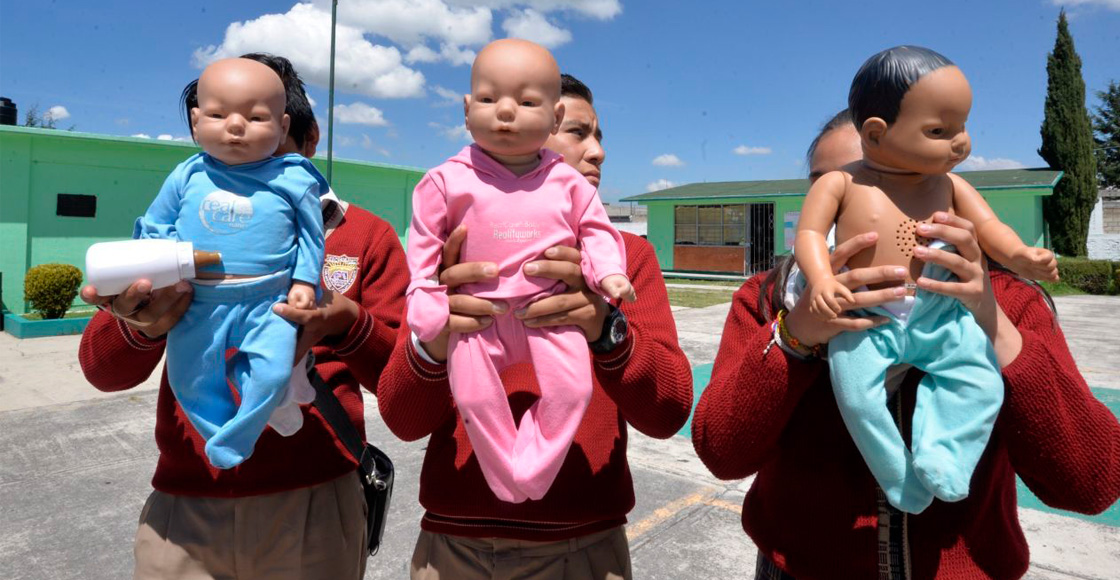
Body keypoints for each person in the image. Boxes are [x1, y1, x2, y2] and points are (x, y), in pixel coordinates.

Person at [691, 106, 1120, 579]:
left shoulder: (1011, 302)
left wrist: (990, 319)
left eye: (887, 187)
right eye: (827, 190)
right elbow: (721, 451)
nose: (848, 208)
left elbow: (1090, 483)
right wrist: (796, 334)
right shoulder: (769, 297)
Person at [78, 53, 408, 579]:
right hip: (187, 506)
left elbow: (402, 387)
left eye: (261, 132)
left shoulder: (366, 235)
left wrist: (348, 324)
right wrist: (141, 324)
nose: (239, 155)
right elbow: (102, 371)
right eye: (218, 122)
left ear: (305, 137)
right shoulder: (185, 220)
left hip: (316, 504)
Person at [378, 72, 693, 580]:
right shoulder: (450, 252)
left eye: (599, 136)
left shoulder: (627, 256)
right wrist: (436, 336)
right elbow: (401, 420)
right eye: (579, 133)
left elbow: (668, 411)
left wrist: (604, 327)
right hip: (454, 545)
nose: (598, 152)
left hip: (586, 548)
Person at [796, 46, 1058, 513]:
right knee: (855, 396)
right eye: (939, 131)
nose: (961, 143)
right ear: (876, 134)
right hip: (867, 318)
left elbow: (990, 228)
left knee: (981, 381)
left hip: (940, 313)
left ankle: (942, 458)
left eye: (962, 126)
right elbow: (811, 234)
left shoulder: (952, 185)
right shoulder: (841, 183)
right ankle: (898, 476)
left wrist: (1020, 255)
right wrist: (820, 280)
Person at [405, 39, 634, 504]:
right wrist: (426, 295)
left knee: (573, 392)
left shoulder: (567, 183)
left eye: (526, 102)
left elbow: (597, 230)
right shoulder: (445, 179)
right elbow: (423, 241)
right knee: (474, 398)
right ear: (466, 110)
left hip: (549, 315)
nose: (506, 111)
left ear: (552, 117)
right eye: (488, 99)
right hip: (477, 318)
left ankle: (530, 469)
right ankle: (505, 472)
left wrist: (607, 277)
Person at [130, 57, 327, 469]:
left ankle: (243, 423)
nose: (236, 126)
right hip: (198, 301)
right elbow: (155, 224)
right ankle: (221, 435)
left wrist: (305, 281)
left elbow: (311, 235)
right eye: (218, 115)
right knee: (189, 378)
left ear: (284, 128)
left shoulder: (293, 177)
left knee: (272, 374)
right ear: (196, 122)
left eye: (255, 118)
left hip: (268, 301)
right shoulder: (187, 175)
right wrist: (165, 264)